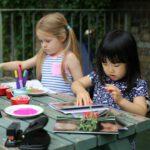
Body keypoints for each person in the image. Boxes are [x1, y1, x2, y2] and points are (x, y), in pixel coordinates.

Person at [0, 12, 83, 95]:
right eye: (41, 41)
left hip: (64, 104)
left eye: (47, 41)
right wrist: (2, 65)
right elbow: (22, 65)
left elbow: (81, 85)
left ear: (62, 37)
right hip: (46, 102)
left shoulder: (69, 58)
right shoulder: (43, 56)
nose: (43, 45)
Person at [72, 30, 148, 116]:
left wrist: (121, 101)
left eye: (116, 65)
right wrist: (81, 91)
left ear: (130, 62)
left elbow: (142, 111)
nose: (110, 70)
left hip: (123, 126)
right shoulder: (99, 75)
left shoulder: (137, 83)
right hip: (97, 123)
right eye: (105, 63)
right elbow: (76, 83)